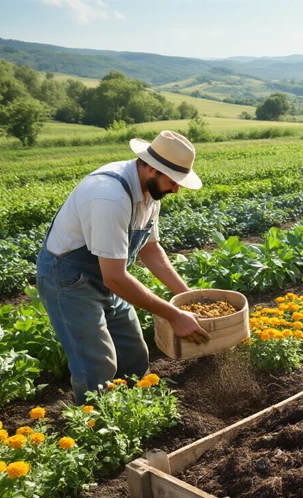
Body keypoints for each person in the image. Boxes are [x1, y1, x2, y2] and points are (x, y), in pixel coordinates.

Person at [36, 130, 210, 404]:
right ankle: (96, 431)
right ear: (152, 168)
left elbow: (150, 250)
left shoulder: (150, 191)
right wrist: (174, 316)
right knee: (97, 367)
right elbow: (116, 278)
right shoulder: (110, 197)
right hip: (69, 281)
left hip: (107, 275)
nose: (176, 189)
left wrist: (188, 299)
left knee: (133, 355)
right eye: (173, 181)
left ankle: (136, 418)